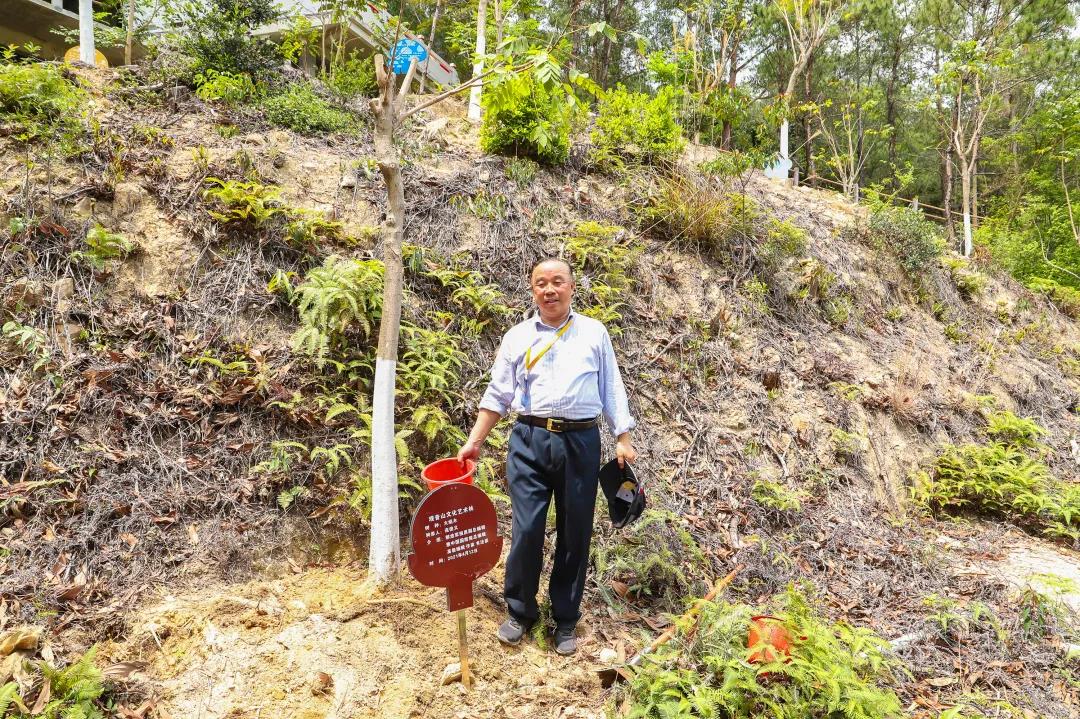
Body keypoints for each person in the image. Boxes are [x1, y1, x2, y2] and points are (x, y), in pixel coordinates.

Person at [456, 258, 637, 656]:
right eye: (541, 283)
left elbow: (612, 388)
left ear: (572, 287)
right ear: (532, 289)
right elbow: (498, 394)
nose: (549, 289)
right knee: (527, 528)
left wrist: (622, 437)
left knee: (575, 531)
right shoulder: (517, 336)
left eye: (557, 281)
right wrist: (475, 441)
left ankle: (566, 619)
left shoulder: (593, 332)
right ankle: (520, 612)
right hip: (529, 438)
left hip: (581, 442)